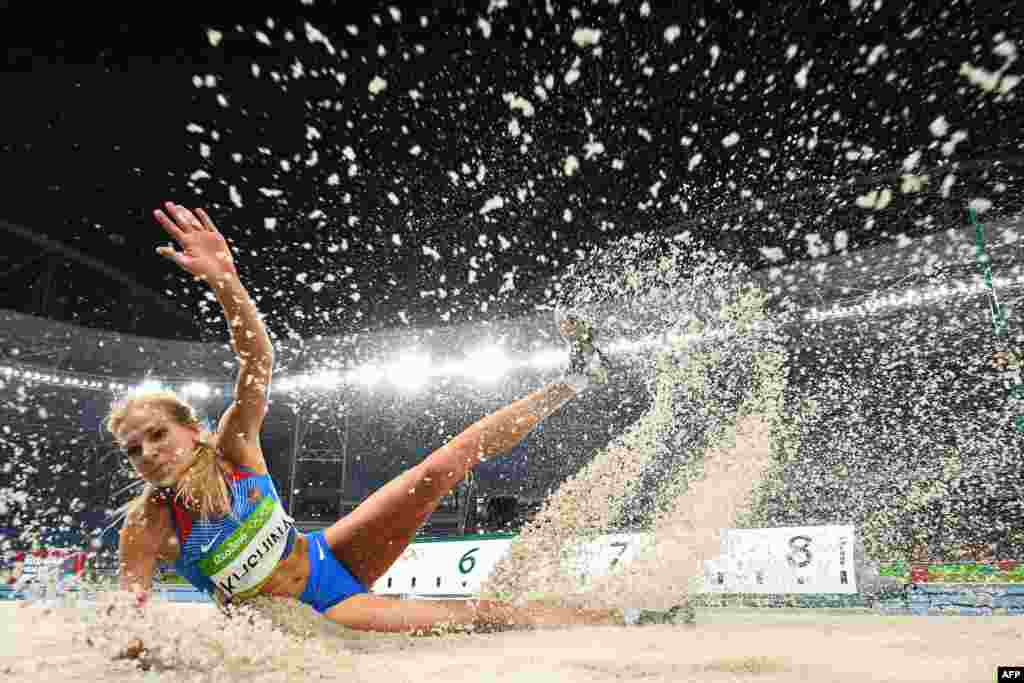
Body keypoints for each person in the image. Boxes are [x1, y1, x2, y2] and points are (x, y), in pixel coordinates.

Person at [110, 202, 685, 650]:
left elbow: (258, 361)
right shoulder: (148, 524)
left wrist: (225, 282)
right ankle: (627, 616)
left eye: (158, 436)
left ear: (190, 429)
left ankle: (579, 379)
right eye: (135, 450)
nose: (150, 454)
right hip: (316, 611)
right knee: (480, 619)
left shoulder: (234, 447)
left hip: (326, 555)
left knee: (440, 467)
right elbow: (131, 612)